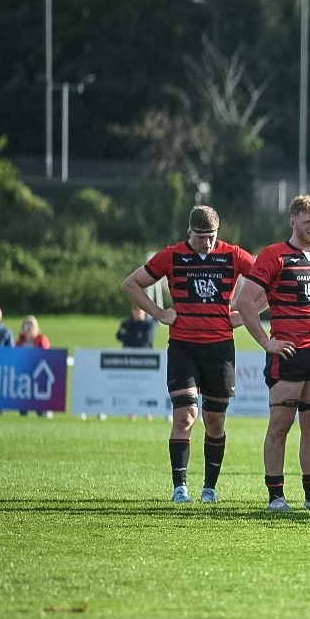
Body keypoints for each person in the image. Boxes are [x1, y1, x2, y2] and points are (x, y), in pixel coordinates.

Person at [122, 205, 256, 504]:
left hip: (220, 349)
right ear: (189, 233)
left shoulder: (233, 255)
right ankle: (179, 487)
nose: (206, 243)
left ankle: (210, 488)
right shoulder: (171, 255)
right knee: (185, 415)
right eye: (200, 237)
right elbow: (130, 284)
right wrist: (158, 312)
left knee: (214, 422)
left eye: (211, 237)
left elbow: (270, 283)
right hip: (183, 346)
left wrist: (245, 315)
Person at [234, 194, 310, 511]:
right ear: (293, 222)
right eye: (308, 221)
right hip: (287, 355)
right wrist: (267, 343)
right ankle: (276, 497)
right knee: (280, 425)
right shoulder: (274, 255)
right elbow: (245, 302)